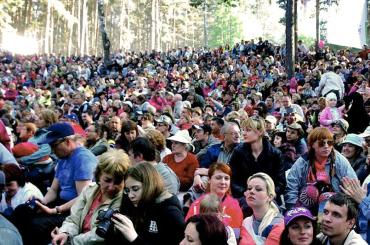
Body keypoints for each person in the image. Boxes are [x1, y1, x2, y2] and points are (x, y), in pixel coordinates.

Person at [13, 122, 98, 245]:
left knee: (36, 225)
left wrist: (55, 210)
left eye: (54, 145)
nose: (52, 150)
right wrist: (42, 202)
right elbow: (53, 190)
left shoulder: (83, 159)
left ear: (68, 142)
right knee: (22, 211)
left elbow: (83, 198)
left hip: (74, 212)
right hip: (60, 204)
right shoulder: (63, 157)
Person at [50, 149, 130, 245]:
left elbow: (99, 236)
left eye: (117, 182)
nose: (112, 187)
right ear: (99, 175)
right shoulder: (89, 189)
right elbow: (74, 219)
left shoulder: (124, 201)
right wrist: (65, 233)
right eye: (107, 180)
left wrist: (70, 241)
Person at [108, 162, 185, 244]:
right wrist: (111, 229)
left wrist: (134, 238)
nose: (130, 195)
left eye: (135, 189)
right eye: (127, 190)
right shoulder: (137, 204)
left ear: (149, 185)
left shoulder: (171, 213)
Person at [285, 127, 357, 213]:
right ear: (312, 145)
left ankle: (323, 221)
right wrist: (294, 210)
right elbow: (291, 187)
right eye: (321, 143)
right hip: (305, 204)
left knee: (326, 196)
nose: (326, 146)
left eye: (329, 143)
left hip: (334, 204)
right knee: (310, 192)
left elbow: (353, 185)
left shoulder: (339, 160)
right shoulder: (303, 161)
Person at [229, 116, 286, 200]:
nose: (243, 133)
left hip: (268, 198)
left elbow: (281, 183)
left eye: (248, 130)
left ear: (260, 132)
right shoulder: (238, 152)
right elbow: (233, 179)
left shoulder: (275, 154)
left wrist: (268, 195)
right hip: (244, 196)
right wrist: (245, 193)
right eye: (243, 130)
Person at [186, 163, 243, 236]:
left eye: (226, 178)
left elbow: (235, 237)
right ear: (209, 180)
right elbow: (188, 232)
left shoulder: (234, 206)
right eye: (218, 178)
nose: (223, 182)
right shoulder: (196, 204)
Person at [239, 172, 284, 245]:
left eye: (258, 189)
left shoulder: (278, 223)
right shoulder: (246, 222)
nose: (251, 191)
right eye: (249, 188)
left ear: (270, 197)